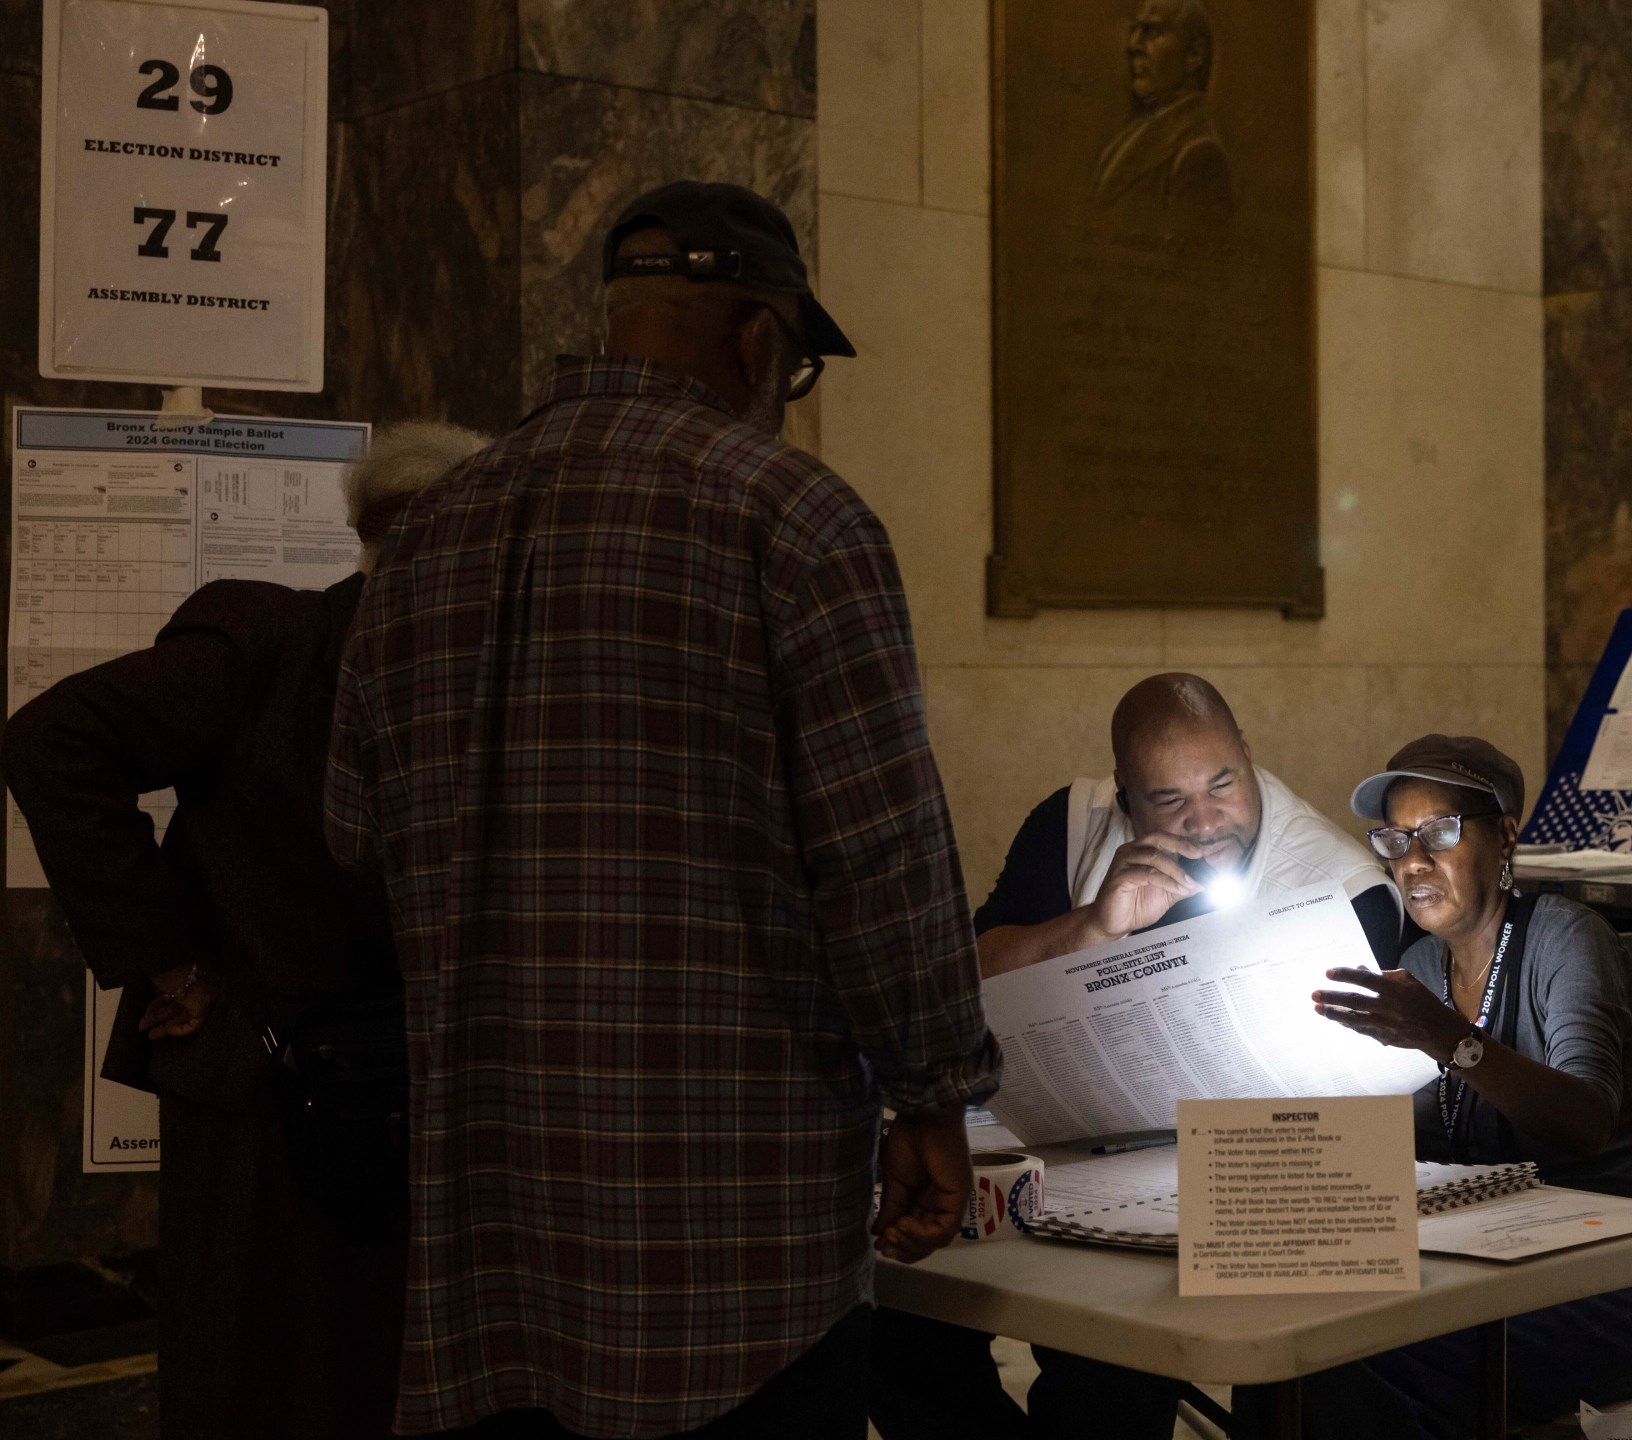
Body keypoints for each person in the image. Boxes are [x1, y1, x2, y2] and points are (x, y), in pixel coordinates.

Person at [324, 181, 999, 1439]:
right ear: (756, 338)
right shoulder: (795, 518)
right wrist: (933, 1095)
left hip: (493, 1240)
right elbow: (883, 860)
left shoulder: (427, 535)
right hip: (733, 1261)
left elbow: (356, 834)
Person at [2, 419, 482, 1439]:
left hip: (385, 1095)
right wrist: (167, 956)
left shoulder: (465, 669)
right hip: (265, 1090)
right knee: (259, 1380)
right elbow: (55, 740)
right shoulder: (276, 641)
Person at [866, 671, 1399, 1440]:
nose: (1205, 822)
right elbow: (967, 973)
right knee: (892, 1320)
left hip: (1240, 1185)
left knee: (1106, 1364)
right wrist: (1087, 931)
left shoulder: (1339, 887)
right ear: (1124, 795)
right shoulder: (1074, 822)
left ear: (1250, 756)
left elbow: (1360, 1107)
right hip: (1063, 1159)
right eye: (1168, 801)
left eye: (1223, 785)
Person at [1267, 734, 1632, 1438]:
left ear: (1505, 838)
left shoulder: (1567, 940)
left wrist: (1446, 1037)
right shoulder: (1418, 965)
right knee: (1287, 1350)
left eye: (1439, 832)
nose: (1413, 859)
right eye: (1393, 838)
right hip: (1492, 1270)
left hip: (1622, 1290)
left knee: (1349, 1364)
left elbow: (1584, 1120)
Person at [1092, 0, 1234, 231]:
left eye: (1152, 32)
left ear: (1194, 55)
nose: (1133, 44)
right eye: (1135, 30)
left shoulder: (1200, 156)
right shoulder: (1133, 133)